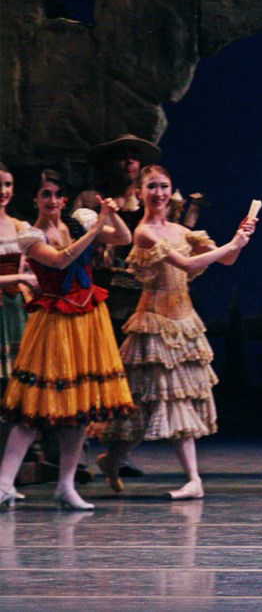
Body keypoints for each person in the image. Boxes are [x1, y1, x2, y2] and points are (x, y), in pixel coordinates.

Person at [94, 165, 256, 500]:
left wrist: (239, 240)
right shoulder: (144, 233)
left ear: (172, 190)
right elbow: (187, 265)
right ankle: (113, 458)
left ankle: (192, 479)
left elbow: (224, 261)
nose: (158, 193)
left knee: (177, 398)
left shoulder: (181, 231)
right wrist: (231, 244)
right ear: (140, 193)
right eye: (151, 187)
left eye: (164, 186)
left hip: (184, 323)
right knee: (142, 405)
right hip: (154, 322)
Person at [0, 170, 134, 510]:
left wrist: (111, 214)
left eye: (58, 194)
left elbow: (123, 238)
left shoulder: (76, 226)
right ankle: (3, 483)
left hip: (87, 322)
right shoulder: (30, 236)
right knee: (34, 408)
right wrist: (95, 226)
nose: (53, 201)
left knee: (79, 411)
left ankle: (66, 485)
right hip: (54, 325)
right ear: (35, 199)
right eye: (46, 194)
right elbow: (61, 259)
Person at [88, 134, 161, 480]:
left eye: (134, 158)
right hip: (100, 298)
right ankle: (81, 454)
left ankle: (119, 452)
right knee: (97, 375)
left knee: (133, 382)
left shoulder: (145, 202)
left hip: (137, 302)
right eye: (123, 158)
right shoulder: (93, 200)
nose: (129, 163)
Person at [0, 164, 36, 391]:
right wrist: (21, 278)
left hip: (17, 306)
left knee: (20, 372)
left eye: (7, 184)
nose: (3, 191)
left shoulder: (21, 227)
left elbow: (32, 268)